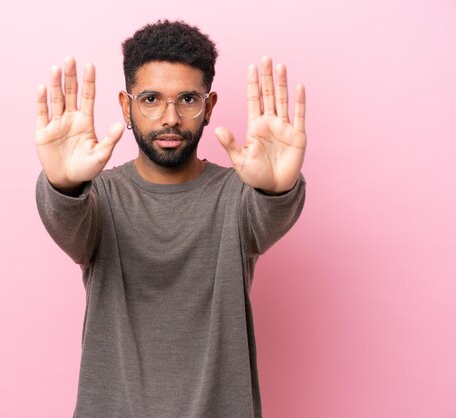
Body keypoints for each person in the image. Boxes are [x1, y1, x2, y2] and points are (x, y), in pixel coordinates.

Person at [34, 19, 307, 418]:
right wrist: (63, 183)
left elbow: (270, 212)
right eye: (150, 99)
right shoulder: (101, 197)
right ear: (126, 107)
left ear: (208, 107)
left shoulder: (237, 196)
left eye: (187, 100)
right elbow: (66, 219)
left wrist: (276, 188)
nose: (170, 119)